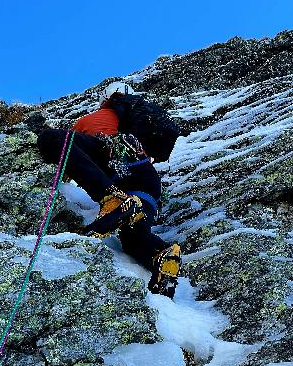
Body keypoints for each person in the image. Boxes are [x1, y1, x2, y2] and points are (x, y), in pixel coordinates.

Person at [28, 81, 182, 298]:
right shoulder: (134, 122)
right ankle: (159, 255)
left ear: (105, 99)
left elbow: (69, 156)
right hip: (146, 179)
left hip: (115, 166)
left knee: (53, 138)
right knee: (132, 234)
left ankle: (109, 197)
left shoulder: (95, 118)